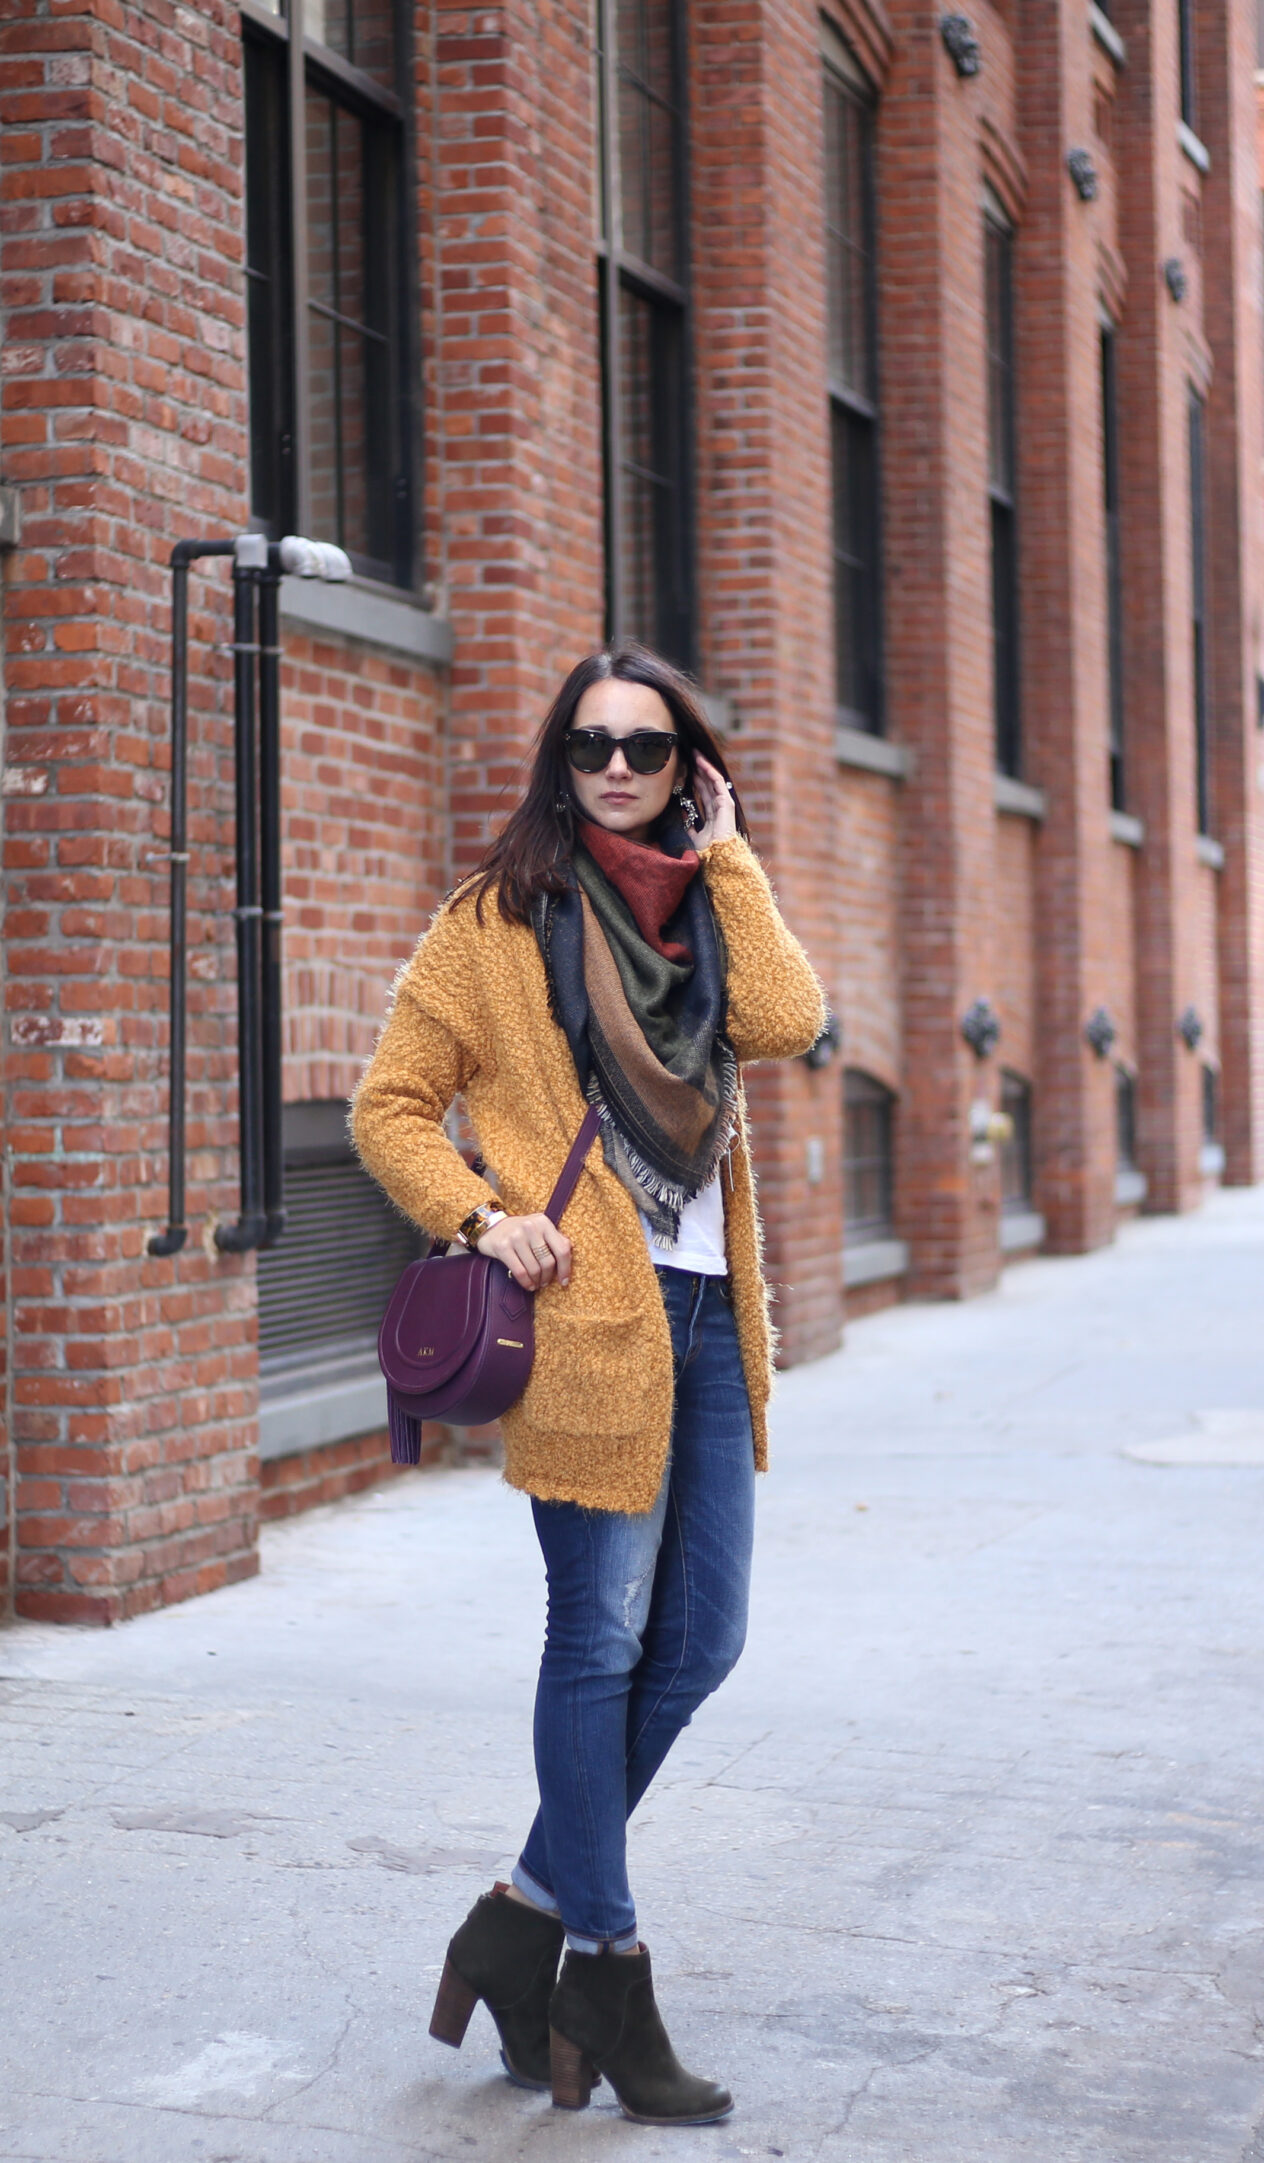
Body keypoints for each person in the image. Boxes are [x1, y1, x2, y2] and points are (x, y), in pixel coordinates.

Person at [353, 645, 827, 2126]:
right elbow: (388, 1104)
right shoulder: (494, 920)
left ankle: (521, 1912)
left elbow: (792, 1022)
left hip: (705, 1320)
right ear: (557, 763)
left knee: (705, 1638)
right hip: (581, 1326)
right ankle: (603, 1970)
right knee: (601, 1634)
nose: (617, 768)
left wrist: (733, 859)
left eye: (647, 744)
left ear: (690, 760)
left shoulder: (711, 919)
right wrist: (483, 1214)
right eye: (590, 747)